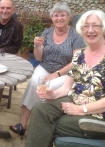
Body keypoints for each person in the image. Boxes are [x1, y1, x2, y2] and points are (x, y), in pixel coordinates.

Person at [25, 9, 105, 147]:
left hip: (97, 114)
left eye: (96, 25)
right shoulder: (79, 55)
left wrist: (81, 109)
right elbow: (67, 87)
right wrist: (52, 94)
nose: (90, 30)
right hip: (74, 100)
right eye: (86, 26)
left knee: (52, 124)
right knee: (39, 108)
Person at [9, 2, 86, 135]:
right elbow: (38, 58)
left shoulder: (76, 36)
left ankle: (39, 122)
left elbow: (76, 62)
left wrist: (56, 73)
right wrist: (37, 46)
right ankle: (23, 123)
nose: (59, 18)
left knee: (48, 86)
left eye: (62, 15)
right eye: (56, 15)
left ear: (68, 17)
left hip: (66, 72)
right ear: (52, 18)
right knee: (33, 83)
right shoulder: (47, 32)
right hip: (45, 66)